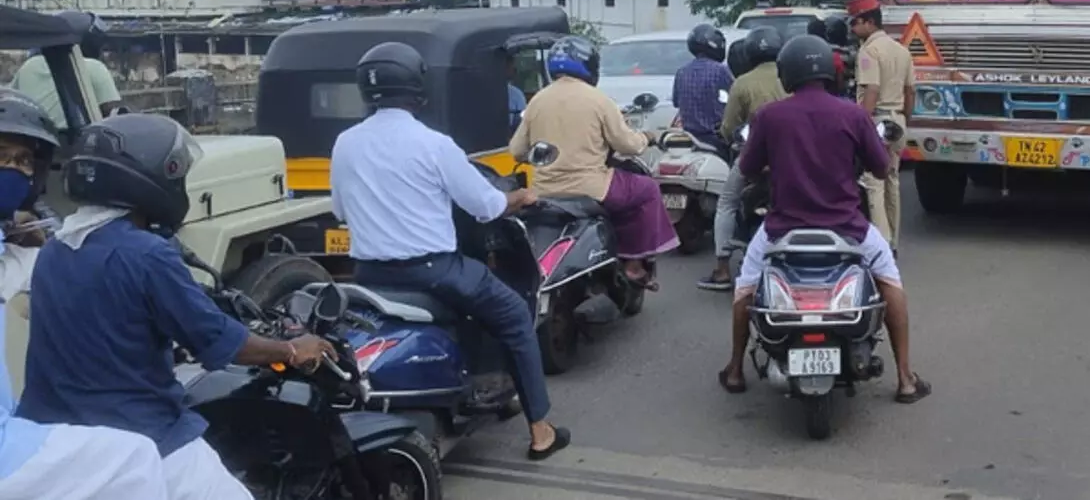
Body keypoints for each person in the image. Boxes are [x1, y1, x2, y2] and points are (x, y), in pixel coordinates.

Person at [19, 113, 338, 499]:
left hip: (58, 444)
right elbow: (219, 341)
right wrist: (291, 349)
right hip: (145, 437)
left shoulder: (55, 248)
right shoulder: (146, 254)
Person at [326, 41, 568, 460]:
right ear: (416, 86)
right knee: (512, 314)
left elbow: (341, 210)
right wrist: (521, 198)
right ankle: (541, 429)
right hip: (435, 271)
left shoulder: (344, 143)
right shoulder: (433, 144)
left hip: (368, 274)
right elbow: (486, 205)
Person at [717, 35, 930, 403]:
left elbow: (749, 169)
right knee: (891, 283)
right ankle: (906, 379)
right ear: (829, 72)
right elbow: (881, 169)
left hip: (781, 230)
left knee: (745, 288)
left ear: (788, 75)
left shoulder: (769, 116)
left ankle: (735, 369)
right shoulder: (853, 114)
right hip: (847, 228)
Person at [0, 91, 171, 500]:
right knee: (136, 458)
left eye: (23, 161)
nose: (11, 168)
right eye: (1, 154)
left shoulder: (25, 249)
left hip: (17, 418)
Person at [510, 36, 679, 287]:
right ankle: (633, 265)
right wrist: (647, 137)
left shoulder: (537, 100)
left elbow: (516, 150)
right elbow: (628, 145)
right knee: (647, 189)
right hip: (592, 188)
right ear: (588, 65)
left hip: (544, 191)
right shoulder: (598, 100)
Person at [696, 28, 786, 292]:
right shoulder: (790, 76)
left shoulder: (743, 82)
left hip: (754, 158)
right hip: (791, 158)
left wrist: (728, 135)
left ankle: (722, 269)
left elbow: (729, 126)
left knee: (727, 202)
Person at [846, 0, 915, 251]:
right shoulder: (902, 50)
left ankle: (882, 245)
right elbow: (911, 92)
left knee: (873, 183)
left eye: (855, 23)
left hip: (877, 121)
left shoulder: (868, 52)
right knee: (892, 182)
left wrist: (859, 125)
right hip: (897, 121)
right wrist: (904, 120)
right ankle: (894, 240)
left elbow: (871, 90)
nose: (853, 30)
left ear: (868, 23)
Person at [10, 11, 121, 126]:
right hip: (77, 140)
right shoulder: (94, 67)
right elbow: (113, 114)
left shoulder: (29, 66)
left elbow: (11, 99)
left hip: (37, 138)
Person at [671, 24, 732, 158]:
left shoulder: (682, 71)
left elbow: (676, 103)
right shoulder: (721, 70)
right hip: (715, 138)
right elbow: (734, 101)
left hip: (687, 137)